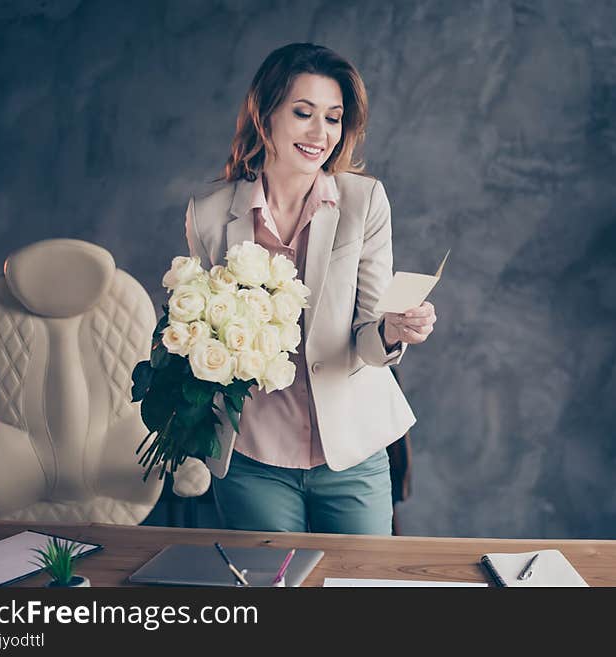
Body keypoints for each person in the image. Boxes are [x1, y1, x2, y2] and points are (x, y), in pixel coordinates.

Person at [183, 43, 437, 535]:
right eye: (304, 113)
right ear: (265, 115)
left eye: (334, 118)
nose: (321, 133)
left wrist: (391, 330)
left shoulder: (365, 202)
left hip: (350, 454)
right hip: (252, 456)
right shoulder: (209, 212)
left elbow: (366, 332)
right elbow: (199, 332)